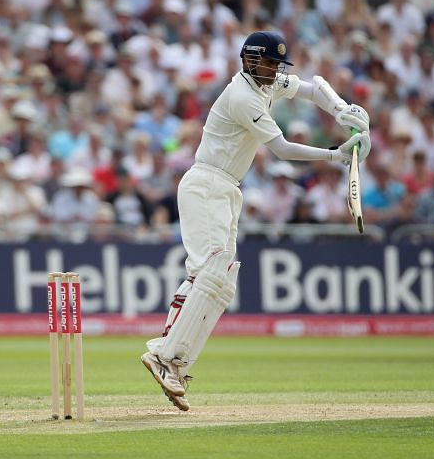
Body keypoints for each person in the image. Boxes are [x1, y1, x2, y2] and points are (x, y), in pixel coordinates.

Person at [140, 31, 371, 411]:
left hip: (228, 188)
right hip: (205, 184)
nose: (275, 70)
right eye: (269, 63)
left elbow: (314, 88)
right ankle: (163, 355)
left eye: (278, 65)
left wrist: (342, 110)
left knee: (220, 282)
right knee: (209, 271)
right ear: (249, 60)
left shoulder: (267, 80)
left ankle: (176, 362)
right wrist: (336, 155)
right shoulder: (242, 96)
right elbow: (280, 150)